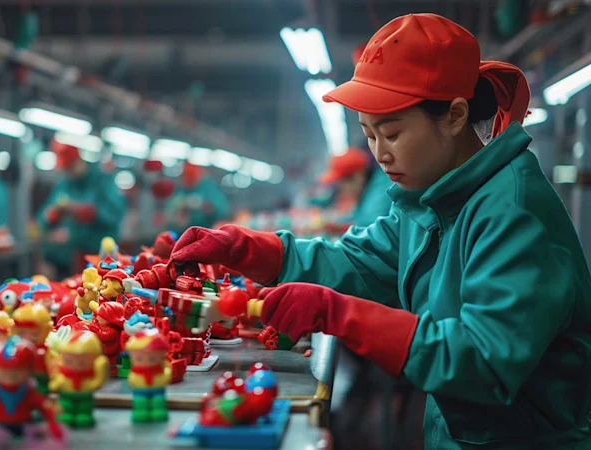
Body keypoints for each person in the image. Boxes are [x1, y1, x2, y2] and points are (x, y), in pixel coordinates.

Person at [169, 13, 591, 449]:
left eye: (391, 133)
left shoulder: (514, 213)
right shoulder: (433, 198)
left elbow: (483, 361)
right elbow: (362, 261)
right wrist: (252, 250)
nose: (381, 155)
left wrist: (341, 314)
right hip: (463, 433)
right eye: (369, 136)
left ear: (454, 115)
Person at [37, 142, 125, 274]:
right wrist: (53, 215)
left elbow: (115, 213)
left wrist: (85, 212)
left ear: (79, 160)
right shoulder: (64, 184)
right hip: (72, 258)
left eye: (71, 166)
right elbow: (44, 217)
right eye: (65, 168)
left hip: (102, 256)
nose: (68, 172)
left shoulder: (102, 181)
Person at [319, 147, 393, 229]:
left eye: (342, 183)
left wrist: (338, 227)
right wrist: (334, 223)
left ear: (357, 176)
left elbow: (369, 225)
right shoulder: (367, 189)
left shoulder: (381, 186)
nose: (341, 189)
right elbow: (357, 216)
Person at [166, 161, 230, 234]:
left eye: (191, 174)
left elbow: (222, 210)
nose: (188, 177)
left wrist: (203, 206)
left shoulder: (209, 189)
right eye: (186, 174)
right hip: (181, 234)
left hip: (206, 234)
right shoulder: (180, 192)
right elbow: (170, 213)